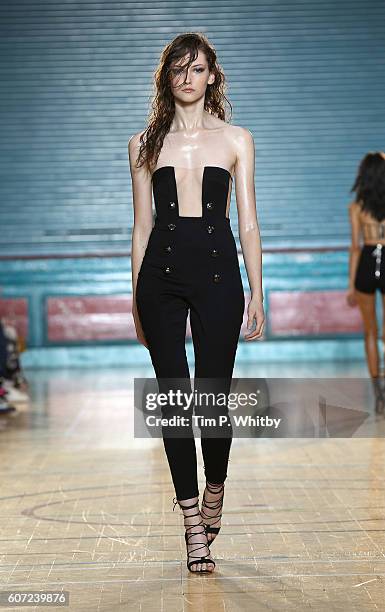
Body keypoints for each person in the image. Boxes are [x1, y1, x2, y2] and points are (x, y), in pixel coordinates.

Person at [128, 33, 264, 573]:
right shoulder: (143, 144)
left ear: (213, 77)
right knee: (172, 399)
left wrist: (258, 288)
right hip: (158, 278)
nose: (188, 76)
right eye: (179, 68)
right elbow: (141, 227)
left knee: (213, 397)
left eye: (198, 67)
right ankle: (192, 524)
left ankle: (216, 488)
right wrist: (133, 297)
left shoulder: (236, 140)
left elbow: (248, 222)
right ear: (167, 78)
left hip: (218, 275)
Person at [347, 151, 385, 415]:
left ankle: (377, 392)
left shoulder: (357, 207)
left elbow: (355, 248)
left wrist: (351, 285)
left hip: (367, 264)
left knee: (370, 332)